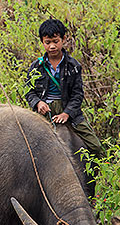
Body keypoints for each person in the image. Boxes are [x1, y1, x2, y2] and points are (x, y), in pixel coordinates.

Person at [25, 18, 103, 159]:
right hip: (43, 111)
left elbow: (77, 94)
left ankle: (94, 176)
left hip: (66, 109)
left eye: (56, 41)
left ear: (64, 39)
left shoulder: (73, 66)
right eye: (48, 43)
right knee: (23, 148)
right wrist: (37, 103)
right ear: (42, 42)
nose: (52, 46)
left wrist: (66, 113)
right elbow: (28, 90)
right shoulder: (36, 66)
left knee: (95, 146)